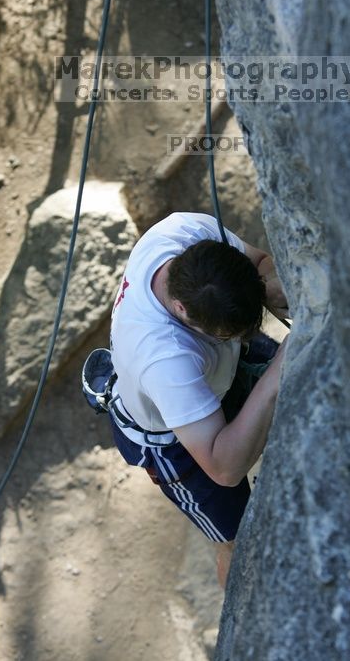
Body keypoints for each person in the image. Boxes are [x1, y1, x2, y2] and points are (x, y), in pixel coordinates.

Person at [108, 211, 288, 587]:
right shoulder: (165, 359)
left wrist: (271, 283)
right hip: (175, 444)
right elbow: (224, 467)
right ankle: (244, 635)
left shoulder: (185, 231)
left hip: (214, 371)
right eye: (228, 335)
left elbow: (255, 261)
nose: (242, 337)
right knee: (238, 542)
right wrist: (276, 376)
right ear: (182, 311)